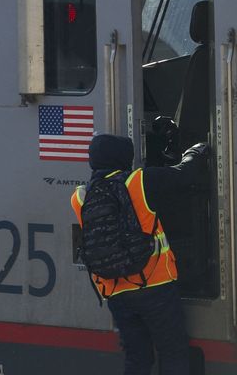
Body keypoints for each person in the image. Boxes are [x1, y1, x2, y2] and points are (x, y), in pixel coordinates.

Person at [70, 134, 208, 375]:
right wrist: (196, 151)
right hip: (154, 286)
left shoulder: (80, 197)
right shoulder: (140, 181)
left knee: (137, 358)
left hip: (115, 292)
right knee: (173, 352)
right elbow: (184, 174)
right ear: (124, 158)